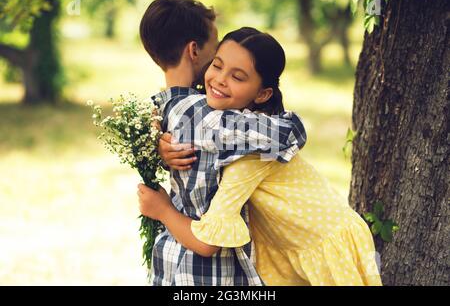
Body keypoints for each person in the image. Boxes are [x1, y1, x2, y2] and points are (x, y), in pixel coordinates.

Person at [138, 27, 383, 286]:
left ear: (263, 94)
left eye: (238, 77)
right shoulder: (230, 126)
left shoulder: (250, 152)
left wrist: (163, 210)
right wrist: (160, 144)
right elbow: (178, 110)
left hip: (327, 247)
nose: (220, 80)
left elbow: (208, 242)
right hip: (289, 247)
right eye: (217, 66)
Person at [139, 0, 307, 285]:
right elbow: (289, 134)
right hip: (208, 272)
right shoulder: (205, 116)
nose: (219, 75)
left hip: (169, 260)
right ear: (194, 50)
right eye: (216, 55)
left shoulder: (162, 108)